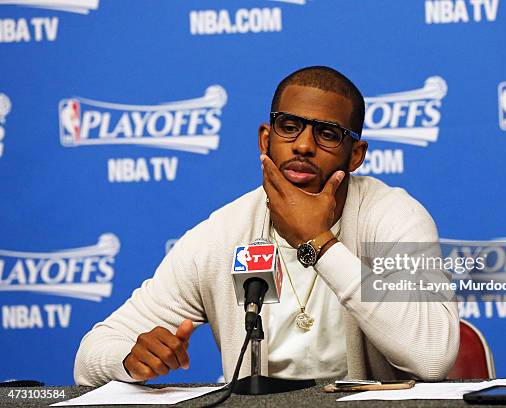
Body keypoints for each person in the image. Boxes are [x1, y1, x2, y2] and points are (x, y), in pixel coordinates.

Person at [74, 66, 459, 387]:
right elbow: (90, 356)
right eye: (289, 126)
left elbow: (432, 356)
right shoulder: (222, 234)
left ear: (355, 155)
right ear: (266, 138)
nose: (304, 145)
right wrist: (130, 360)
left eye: (327, 133)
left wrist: (320, 244)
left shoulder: (394, 219)